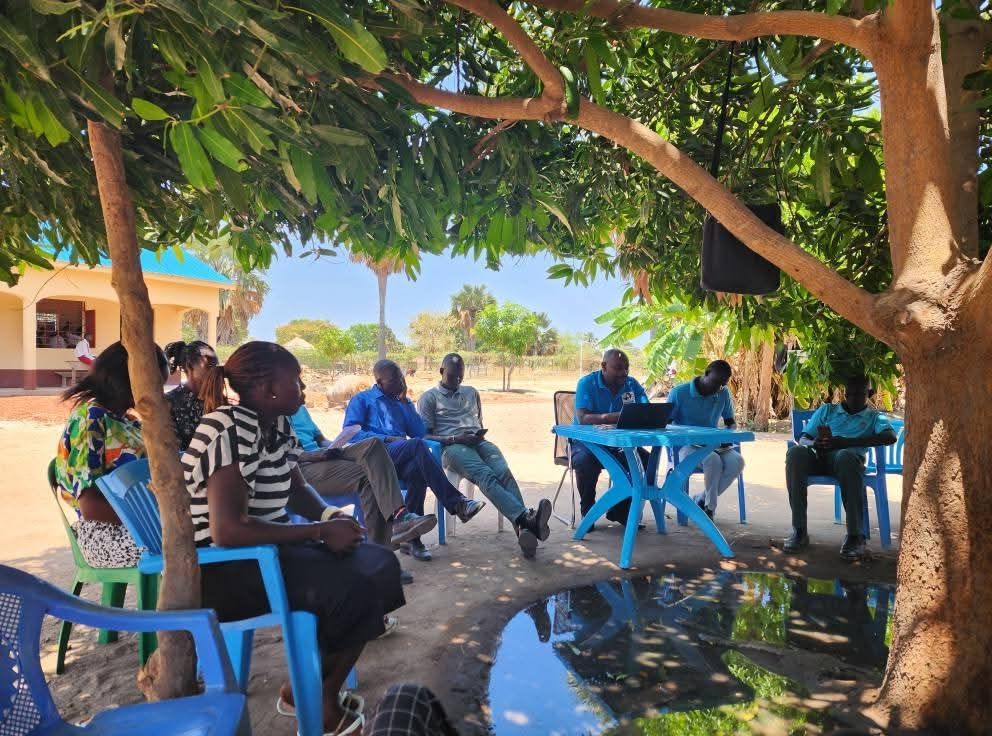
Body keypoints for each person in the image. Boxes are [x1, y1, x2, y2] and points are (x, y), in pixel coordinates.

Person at [183, 341, 404, 735]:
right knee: (352, 589)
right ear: (269, 389)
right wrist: (319, 532)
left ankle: (306, 689)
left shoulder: (276, 425)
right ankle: (319, 705)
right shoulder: (227, 429)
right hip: (227, 570)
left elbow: (296, 487)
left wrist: (330, 515)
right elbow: (227, 530)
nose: (302, 389)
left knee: (381, 565)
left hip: (267, 552)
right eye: (296, 381)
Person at [343, 359, 487, 561]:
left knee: (417, 469)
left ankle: (411, 539)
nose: (401, 382)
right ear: (379, 381)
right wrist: (386, 438)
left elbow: (419, 432)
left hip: (399, 457)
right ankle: (457, 504)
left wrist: (405, 404)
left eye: (401, 377)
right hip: (375, 457)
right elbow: (351, 434)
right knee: (416, 446)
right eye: (394, 379)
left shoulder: (402, 402)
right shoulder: (362, 400)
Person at [418, 353, 551, 559]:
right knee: (485, 474)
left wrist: (476, 435)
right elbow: (425, 436)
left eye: (461, 376)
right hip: (452, 448)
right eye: (453, 376)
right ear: (442, 371)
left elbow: (478, 420)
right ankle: (526, 519)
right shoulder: (429, 398)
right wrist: (456, 438)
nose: (457, 381)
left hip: (478, 442)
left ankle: (524, 529)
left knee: (503, 473)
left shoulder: (471, 392)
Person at [53, 341, 170, 568]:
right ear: (128, 379)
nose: (158, 393)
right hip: (103, 535)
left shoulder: (126, 419)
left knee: (200, 534)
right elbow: (91, 506)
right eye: (155, 385)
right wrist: (155, 523)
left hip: (136, 525)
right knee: (185, 544)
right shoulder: (91, 419)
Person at [289, 404, 437, 563]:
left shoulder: (300, 409)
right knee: (370, 475)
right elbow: (284, 456)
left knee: (373, 446)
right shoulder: (272, 415)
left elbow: (320, 439)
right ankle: (385, 549)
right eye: (297, 382)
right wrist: (316, 456)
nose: (302, 387)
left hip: (322, 458)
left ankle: (394, 527)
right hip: (301, 468)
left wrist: (336, 447)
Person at [782, 375, 897, 560]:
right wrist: (815, 443)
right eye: (849, 394)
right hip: (820, 458)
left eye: (858, 394)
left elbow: (891, 436)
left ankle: (855, 536)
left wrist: (846, 443)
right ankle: (799, 530)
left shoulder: (875, 417)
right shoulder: (828, 410)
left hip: (848, 463)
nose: (852, 398)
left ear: (869, 394)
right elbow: (803, 438)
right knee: (796, 453)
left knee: (846, 455)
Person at [572, 349, 648, 528]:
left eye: (627, 368)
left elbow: (645, 409)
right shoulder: (586, 383)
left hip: (619, 444)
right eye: (618, 368)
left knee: (645, 461)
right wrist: (619, 416)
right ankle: (589, 512)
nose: (624, 372)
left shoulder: (631, 384)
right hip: (588, 443)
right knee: (584, 461)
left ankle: (619, 511)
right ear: (604, 366)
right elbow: (583, 418)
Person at [667, 359, 745, 519]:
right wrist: (689, 434)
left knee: (737, 462)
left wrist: (727, 435)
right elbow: (666, 424)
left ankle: (701, 499)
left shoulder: (722, 393)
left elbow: (730, 422)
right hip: (685, 446)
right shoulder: (679, 393)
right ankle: (710, 509)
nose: (717, 388)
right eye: (715, 382)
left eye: (722, 384)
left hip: (713, 444)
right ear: (706, 373)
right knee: (713, 460)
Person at [164, 340, 217, 449]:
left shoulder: (217, 400)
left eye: (215, 365)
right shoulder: (169, 402)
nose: (215, 371)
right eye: (209, 365)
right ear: (190, 366)